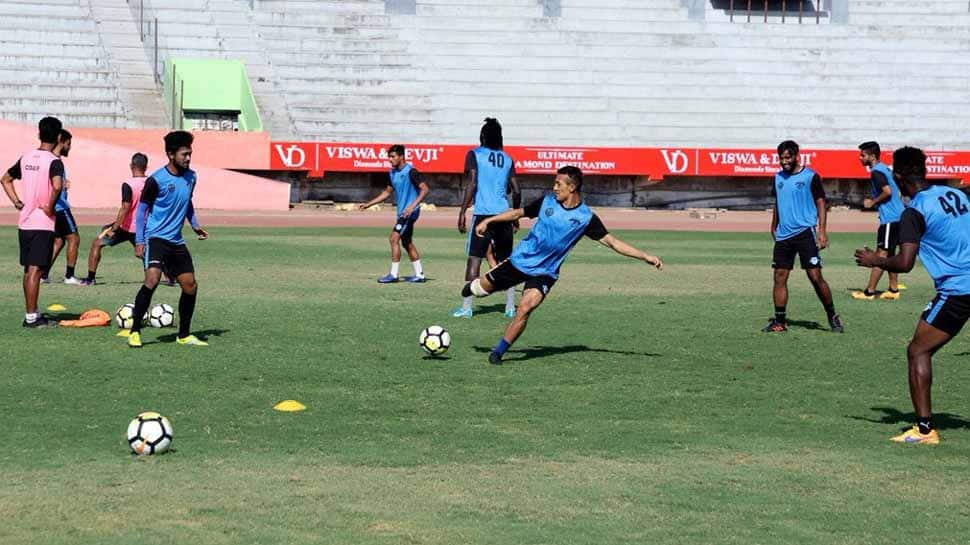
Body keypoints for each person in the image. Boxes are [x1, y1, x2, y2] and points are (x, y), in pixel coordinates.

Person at [461, 166, 663, 365]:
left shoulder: (586, 218)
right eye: (554, 183)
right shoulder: (546, 202)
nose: (554, 188)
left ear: (572, 187)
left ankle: (498, 352)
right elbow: (517, 213)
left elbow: (612, 242)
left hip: (545, 272)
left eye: (559, 184)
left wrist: (645, 256)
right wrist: (489, 221)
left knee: (525, 307)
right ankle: (472, 288)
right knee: (480, 291)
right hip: (520, 261)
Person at [855, 147, 970, 445]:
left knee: (917, 351)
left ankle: (924, 430)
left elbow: (904, 263)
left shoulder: (914, 211)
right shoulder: (955, 195)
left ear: (897, 175)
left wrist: (875, 260)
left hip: (959, 290)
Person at [125, 131, 209, 348]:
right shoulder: (156, 180)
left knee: (190, 286)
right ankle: (135, 331)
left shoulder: (192, 177)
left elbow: (187, 202)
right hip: (156, 239)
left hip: (176, 241)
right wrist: (140, 241)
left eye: (190, 154)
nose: (188, 158)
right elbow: (142, 210)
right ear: (171, 154)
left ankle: (183, 335)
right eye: (184, 154)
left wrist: (195, 224)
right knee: (152, 279)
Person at [762, 140, 843, 333]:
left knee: (815, 276)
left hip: (805, 232)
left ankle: (832, 315)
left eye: (788, 157)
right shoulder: (778, 177)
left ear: (796, 156)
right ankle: (779, 321)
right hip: (783, 236)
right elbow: (778, 202)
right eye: (781, 158)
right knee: (779, 277)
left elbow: (821, 203)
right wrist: (773, 226)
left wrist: (822, 231)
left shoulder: (810, 176)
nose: (784, 161)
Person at [0, 116, 65, 327]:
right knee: (36, 271)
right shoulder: (54, 162)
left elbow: (5, 179)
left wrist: (17, 202)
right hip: (42, 223)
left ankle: (33, 313)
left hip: (25, 222)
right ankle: (31, 318)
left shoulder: (26, 158)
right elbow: (56, 186)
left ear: (39, 134)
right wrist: (50, 206)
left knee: (29, 270)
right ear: (58, 137)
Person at [454, 117, 521, 318]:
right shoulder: (507, 159)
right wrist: (515, 214)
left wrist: (462, 211)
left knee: (474, 260)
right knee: (505, 261)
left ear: (482, 136)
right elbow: (517, 190)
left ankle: (466, 308)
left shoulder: (474, 154)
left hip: (483, 215)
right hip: (504, 214)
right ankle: (509, 307)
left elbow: (472, 183)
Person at [358, 144, 430, 283]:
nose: (390, 159)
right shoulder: (392, 173)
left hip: (409, 213)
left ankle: (394, 274)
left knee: (393, 238)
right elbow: (387, 192)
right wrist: (369, 204)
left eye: (393, 157)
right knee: (406, 242)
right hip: (402, 212)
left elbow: (425, 189)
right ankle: (419, 274)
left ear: (401, 157)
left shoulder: (411, 172)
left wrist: (412, 206)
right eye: (389, 157)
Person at [80, 153, 149, 285]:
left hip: (125, 226)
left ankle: (90, 279)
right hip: (143, 227)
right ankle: (169, 277)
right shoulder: (151, 182)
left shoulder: (128, 184)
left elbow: (125, 207)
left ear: (131, 166)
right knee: (148, 254)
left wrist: (114, 227)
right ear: (146, 167)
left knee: (97, 243)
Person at [852, 141, 907, 300]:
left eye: (863, 155)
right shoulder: (885, 168)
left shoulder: (876, 172)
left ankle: (869, 292)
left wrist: (872, 202)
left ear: (872, 156)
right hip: (898, 216)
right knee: (890, 255)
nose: (860, 158)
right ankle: (893, 289)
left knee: (880, 256)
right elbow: (896, 190)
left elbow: (888, 192)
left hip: (890, 219)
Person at [44, 129, 82, 284]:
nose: (69, 147)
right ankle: (69, 276)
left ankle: (43, 274)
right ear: (61, 141)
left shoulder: (52, 159)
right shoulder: (54, 160)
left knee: (59, 241)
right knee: (74, 238)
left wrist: (63, 184)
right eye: (68, 143)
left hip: (56, 206)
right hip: (60, 207)